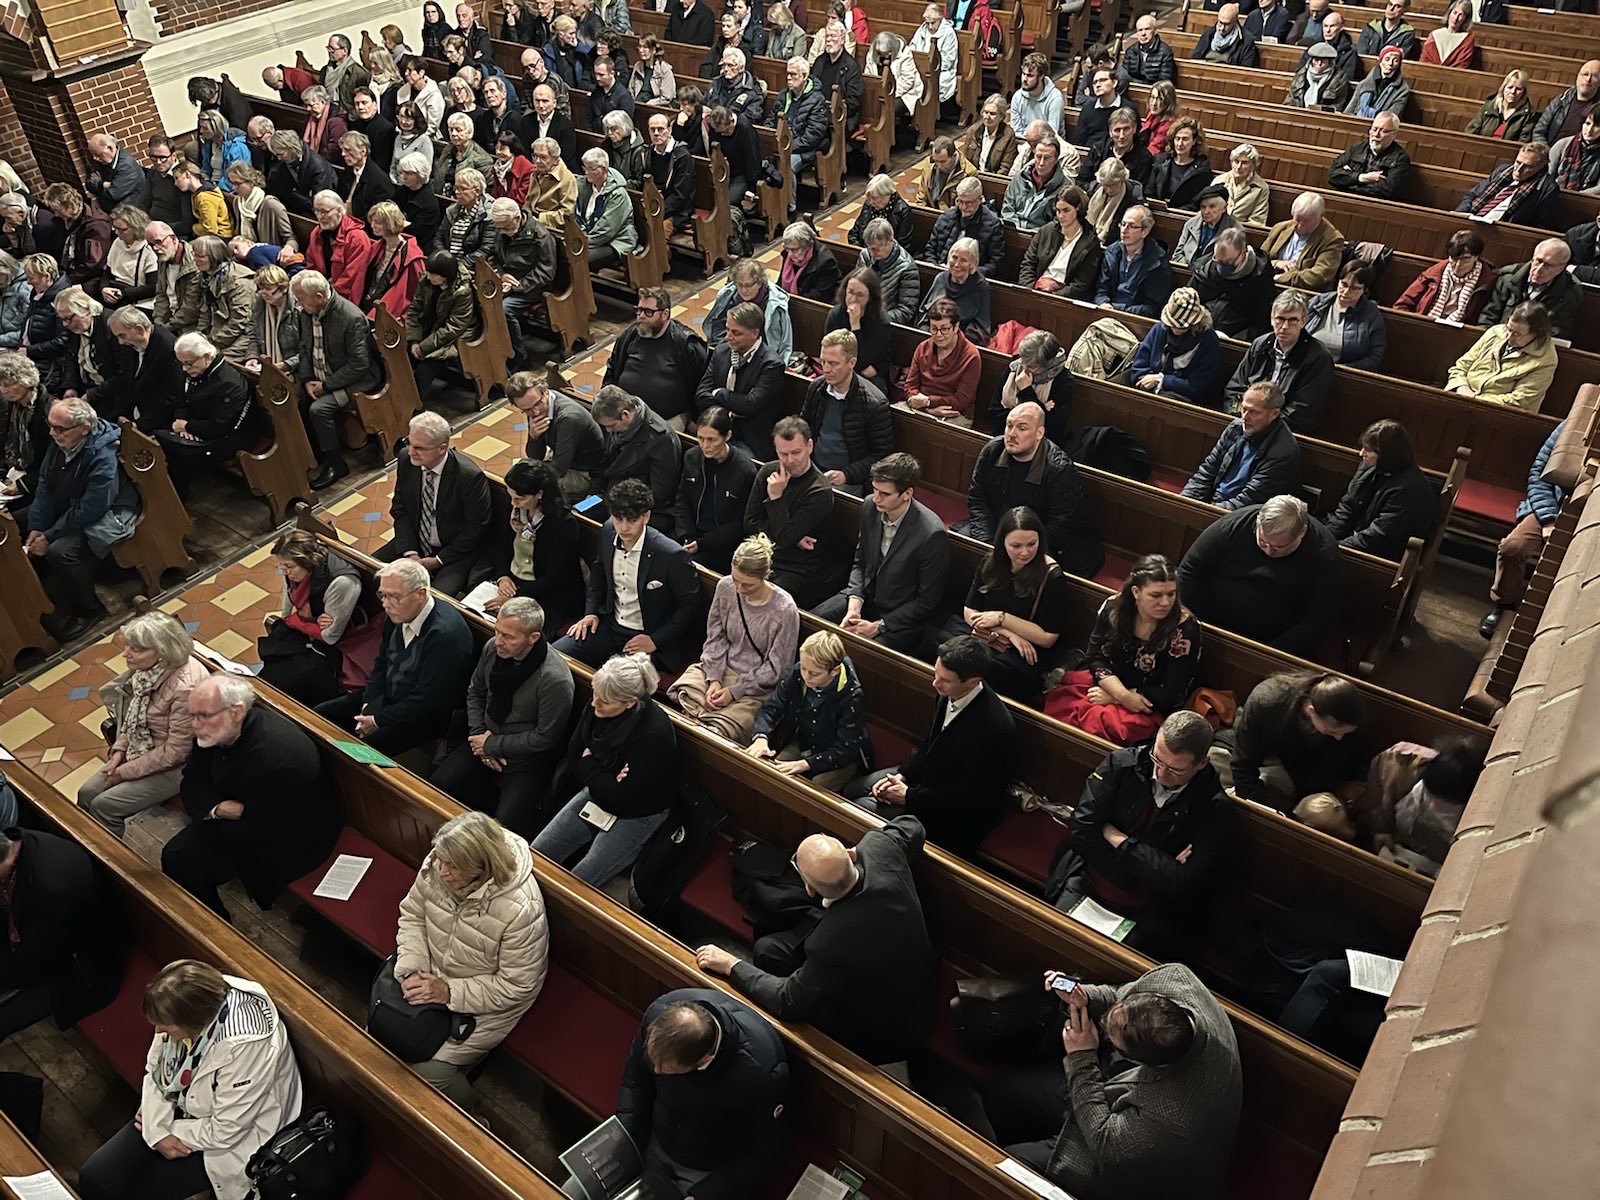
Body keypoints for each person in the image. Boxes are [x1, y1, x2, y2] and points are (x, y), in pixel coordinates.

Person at [981, 963, 1241, 1199]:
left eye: (1111, 1037)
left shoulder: (1172, 1117)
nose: (1103, 1026)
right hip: (1115, 1091)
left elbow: (1104, 1141)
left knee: (1005, 1165)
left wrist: (1081, 1057)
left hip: (1129, 1168)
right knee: (1003, 1093)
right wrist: (1085, 995)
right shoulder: (1176, 980)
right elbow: (1119, 996)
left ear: (1141, 1063)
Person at [696, 815, 933, 1066]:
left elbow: (788, 1001)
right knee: (769, 950)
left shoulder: (829, 942)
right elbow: (913, 825)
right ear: (851, 855)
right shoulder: (879, 848)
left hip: (886, 1025)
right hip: (911, 963)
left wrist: (731, 965)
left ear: (809, 888)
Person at [76, 960, 303, 1200]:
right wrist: (157, 1130)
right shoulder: (183, 1011)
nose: (160, 1032)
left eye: (166, 1026)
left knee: (137, 1194)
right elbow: (156, 1069)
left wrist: (165, 1130)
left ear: (193, 1023)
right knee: (95, 1177)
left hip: (231, 1137)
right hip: (180, 1112)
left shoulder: (247, 1048)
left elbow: (226, 1130)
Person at [561, 989, 788, 1200]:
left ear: (704, 1061)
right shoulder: (660, 1014)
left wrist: (704, 1195)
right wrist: (628, 1137)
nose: (657, 1072)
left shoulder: (762, 1073)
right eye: (654, 1064)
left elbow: (761, 1154)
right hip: (651, 1137)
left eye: (668, 1071)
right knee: (569, 1193)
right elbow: (636, 1083)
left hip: (707, 1169)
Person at [389, 810, 548, 1108]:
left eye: (454, 867)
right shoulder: (438, 864)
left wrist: (449, 992)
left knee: (425, 1073)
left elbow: (517, 986)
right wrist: (412, 968)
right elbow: (413, 915)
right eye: (440, 859)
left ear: (482, 867)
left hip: (485, 1005)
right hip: (430, 975)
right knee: (383, 1039)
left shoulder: (520, 909)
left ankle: (475, 1122)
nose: (442, 871)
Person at [1045, 710, 1233, 958]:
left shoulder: (1213, 808)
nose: (1161, 774)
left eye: (1175, 769)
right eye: (1158, 759)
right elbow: (1083, 830)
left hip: (1148, 906)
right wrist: (1151, 868)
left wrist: (1119, 840)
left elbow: (1181, 883)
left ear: (1201, 764)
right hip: (1089, 880)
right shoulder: (1121, 764)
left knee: (1105, 966)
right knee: (1053, 945)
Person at [163, 675, 343, 918]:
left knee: (181, 859)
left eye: (203, 716)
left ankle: (221, 934)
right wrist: (216, 808)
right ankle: (213, 920)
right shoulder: (219, 728)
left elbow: (257, 831)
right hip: (238, 818)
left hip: (290, 839)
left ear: (237, 711)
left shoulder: (275, 759)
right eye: (192, 715)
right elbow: (192, 779)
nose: (195, 724)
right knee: (177, 857)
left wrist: (207, 809)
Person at [845, 635, 1015, 857]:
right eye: (936, 673)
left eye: (944, 679)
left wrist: (909, 796)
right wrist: (904, 776)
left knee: (859, 807)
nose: (935, 683)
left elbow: (970, 798)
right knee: (851, 790)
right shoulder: (948, 692)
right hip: (929, 781)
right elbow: (932, 744)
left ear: (973, 682)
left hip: (955, 813)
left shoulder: (994, 728)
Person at [532, 652, 678, 884]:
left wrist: (590, 763)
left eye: (604, 702)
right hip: (597, 793)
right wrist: (605, 776)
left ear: (630, 702)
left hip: (637, 812)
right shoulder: (599, 701)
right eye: (595, 695)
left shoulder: (654, 733)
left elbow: (622, 797)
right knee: (536, 854)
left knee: (579, 881)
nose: (593, 704)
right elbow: (573, 753)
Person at [314, 557, 477, 755]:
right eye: (383, 595)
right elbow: (382, 662)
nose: (385, 604)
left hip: (425, 715)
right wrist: (369, 702)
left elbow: (427, 698)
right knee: (320, 715)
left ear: (420, 594)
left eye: (394, 597)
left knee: (359, 751)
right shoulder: (397, 614)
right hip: (391, 695)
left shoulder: (446, 636)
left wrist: (378, 720)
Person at [1047, 554, 1204, 745]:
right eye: (1156, 595)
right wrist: (1120, 694)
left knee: (1122, 730)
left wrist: (1120, 699)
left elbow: (1173, 692)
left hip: (1149, 703)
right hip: (1109, 685)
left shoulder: (1185, 629)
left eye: (1171, 594)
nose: (1165, 602)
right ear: (1136, 592)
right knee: (1064, 708)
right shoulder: (1114, 608)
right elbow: (1095, 658)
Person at [76, 611, 206, 836]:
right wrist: (118, 751)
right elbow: (134, 715)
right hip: (144, 748)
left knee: (104, 806)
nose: (126, 654)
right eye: (128, 646)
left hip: (180, 767)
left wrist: (124, 771)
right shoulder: (148, 672)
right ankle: (86, 843)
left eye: (136, 649)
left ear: (163, 651)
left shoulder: (185, 688)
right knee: (86, 793)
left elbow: (177, 753)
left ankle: (112, 863)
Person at [23, 397, 139, 638]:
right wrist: (37, 527)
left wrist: (49, 534)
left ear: (84, 428)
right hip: (72, 500)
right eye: (50, 426)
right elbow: (44, 485)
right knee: (16, 522)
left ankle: (89, 609)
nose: (52, 433)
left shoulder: (102, 454)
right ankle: (36, 587)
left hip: (111, 511)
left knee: (60, 551)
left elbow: (94, 506)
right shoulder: (62, 441)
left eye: (59, 428)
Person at [556, 478, 701, 670]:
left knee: (615, 682)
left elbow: (691, 605)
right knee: (555, 656)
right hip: (609, 625)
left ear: (646, 516)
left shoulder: (671, 555)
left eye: (631, 520)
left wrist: (655, 640)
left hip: (647, 636)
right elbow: (599, 573)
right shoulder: (608, 531)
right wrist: (591, 612)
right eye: (618, 518)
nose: (623, 527)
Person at [669, 534, 800, 743]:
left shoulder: (784, 610)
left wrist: (735, 691)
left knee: (719, 731)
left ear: (765, 575)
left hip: (755, 686)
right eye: (736, 580)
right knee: (683, 702)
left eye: (747, 585)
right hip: (719, 669)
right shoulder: (726, 586)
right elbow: (715, 635)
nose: (739, 589)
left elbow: (778, 668)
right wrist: (714, 678)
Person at [1178, 495, 1346, 657]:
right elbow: (1189, 571)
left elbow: (1320, 619)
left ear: (1302, 533)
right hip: (1208, 626)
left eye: (1280, 547)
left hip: (1272, 646)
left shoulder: (1325, 555)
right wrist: (1201, 624)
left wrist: (1271, 653)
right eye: (1263, 542)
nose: (1269, 551)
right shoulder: (1236, 524)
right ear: (1258, 523)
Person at [816, 453, 950, 654]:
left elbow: (926, 602)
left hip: (900, 618)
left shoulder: (931, 534)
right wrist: (854, 602)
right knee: (812, 624)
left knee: (860, 654)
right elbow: (861, 562)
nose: (876, 498)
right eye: (875, 489)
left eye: (885, 494)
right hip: (866, 596)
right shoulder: (870, 505)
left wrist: (879, 625)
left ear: (907, 494)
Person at [951, 506, 1069, 700]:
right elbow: (969, 610)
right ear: (1002, 542)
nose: (1025, 552)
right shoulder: (991, 561)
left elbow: (1048, 637)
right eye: (1016, 546)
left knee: (979, 669)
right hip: (987, 635)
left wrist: (1002, 618)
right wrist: (1007, 633)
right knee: (945, 650)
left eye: (1032, 544)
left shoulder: (1052, 576)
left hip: (1024, 652)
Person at [256, 528, 384, 706]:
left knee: (298, 676)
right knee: (276, 657)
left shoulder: (342, 583)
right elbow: (286, 616)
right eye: (281, 567)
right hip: (309, 633)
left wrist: (298, 620)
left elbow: (330, 636)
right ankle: (265, 696)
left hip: (341, 645)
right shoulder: (295, 573)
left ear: (308, 561)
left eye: (289, 567)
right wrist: (310, 621)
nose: (285, 572)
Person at [375, 412, 495, 598]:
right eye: (409, 443)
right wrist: (411, 553)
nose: (411, 451)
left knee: (431, 599)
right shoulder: (407, 459)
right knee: (370, 570)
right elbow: (400, 508)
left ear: (442, 448)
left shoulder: (469, 477)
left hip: (453, 553)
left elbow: (475, 529)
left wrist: (437, 561)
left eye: (419, 448)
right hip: (415, 543)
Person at [748, 628, 873, 790]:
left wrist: (807, 764)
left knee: (809, 790)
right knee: (773, 777)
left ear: (834, 671)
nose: (806, 676)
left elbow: (845, 749)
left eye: (814, 673)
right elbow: (771, 707)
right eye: (803, 669)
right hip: (804, 743)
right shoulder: (799, 673)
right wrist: (761, 737)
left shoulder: (852, 696)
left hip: (838, 758)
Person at [1220, 671, 1364, 811]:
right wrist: (1258, 805)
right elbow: (1243, 764)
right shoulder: (1268, 700)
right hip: (1245, 748)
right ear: (1311, 710)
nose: (1339, 738)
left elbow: (1322, 779)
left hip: (1291, 771)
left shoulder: (1344, 718)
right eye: (1331, 732)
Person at [290, 270, 379, 489]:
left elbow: (359, 365)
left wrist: (326, 386)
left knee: (318, 410)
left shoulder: (351, 317)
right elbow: (304, 349)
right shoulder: (306, 314)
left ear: (319, 297)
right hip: (319, 379)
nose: (298, 304)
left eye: (301, 298)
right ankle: (316, 454)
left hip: (355, 381)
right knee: (295, 402)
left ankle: (336, 464)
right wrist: (307, 379)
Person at [152, 331, 264, 493]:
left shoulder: (229, 384)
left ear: (206, 356)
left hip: (230, 437)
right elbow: (180, 398)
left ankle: (174, 501)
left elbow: (221, 427)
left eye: (189, 363)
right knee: (160, 436)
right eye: (182, 363)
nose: (184, 369)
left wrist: (188, 426)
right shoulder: (195, 370)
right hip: (200, 426)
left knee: (172, 449)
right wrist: (181, 422)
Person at [1481, 420, 1564, 637]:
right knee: (1513, 548)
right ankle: (1504, 604)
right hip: (1550, 507)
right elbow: (1539, 472)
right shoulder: (1573, 424)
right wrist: (1548, 518)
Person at [743, 414, 835, 603]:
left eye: (796, 452)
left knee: (766, 599)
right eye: (783, 454)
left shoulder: (819, 491)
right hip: (760, 552)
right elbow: (749, 523)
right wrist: (794, 537)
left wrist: (776, 497)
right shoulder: (768, 472)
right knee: (735, 585)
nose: (790, 460)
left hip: (795, 566)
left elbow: (785, 538)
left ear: (809, 446)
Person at [482, 456, 585, 622]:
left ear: (540, 494)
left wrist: (517, 598)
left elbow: (555, 576)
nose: (514, 503)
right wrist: (503, 576)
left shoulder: (563, 524)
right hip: (514, 582)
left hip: (549, 594)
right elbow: (503, 545)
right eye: (511, 497)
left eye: (520, 499)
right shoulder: (516, 510)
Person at [1223, 290, 1335, 434]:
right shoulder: (1260, 345)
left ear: (1304, 321)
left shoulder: (1318, 358)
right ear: (1271, 319)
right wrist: (1240, 418)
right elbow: (1234, 389)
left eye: (1292, 320)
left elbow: (1301, 411)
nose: (1284, 327)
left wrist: (1260, 424)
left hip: (1285, 434)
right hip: (1244, 424)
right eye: (1280, 319)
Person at [799, 328, 893, 494]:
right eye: (823, 362)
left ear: (852, 363)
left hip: (847, 479)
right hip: (811, 467)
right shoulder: (816, 387)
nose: (825, 369)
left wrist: (846, 475)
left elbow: (880, 456)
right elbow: (803, 427)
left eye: (833, 363)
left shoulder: (874, 403)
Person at [602, 289, 709, 435]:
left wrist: (696, 418)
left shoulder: (685, 343)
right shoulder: (630, 335)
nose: (641, 317)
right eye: (638, 310)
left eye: (648, 312)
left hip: (667, 419)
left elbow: (703, 382)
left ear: (665, 314)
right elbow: (612, 368)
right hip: (626, 416)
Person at [1183, 380, 1302, 510]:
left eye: (1254, 412)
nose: (1245, 417)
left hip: (1242, 517)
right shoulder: (1236, 428)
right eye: (1243, 409)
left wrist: (1205, 511)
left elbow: (1249, 501)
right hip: (1214, 504)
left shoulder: (1282, 452)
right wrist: (1185, 502)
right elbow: (1206, 472)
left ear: (1274, 414)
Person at [1327, 419, 1437, 559]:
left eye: (1368, 450)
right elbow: (1347, 507)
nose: (1361, 454)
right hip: (1356, 538)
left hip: (1378, 556)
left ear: (1387, 455)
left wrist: (1334, 549)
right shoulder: (1369, 466)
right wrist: (1326, 538)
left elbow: (1378, 537)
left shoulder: (1409, 490)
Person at [674, 406, 758, 573]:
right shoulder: (692, 457)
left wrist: (703, 543)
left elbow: (741, 523)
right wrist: (685, 536)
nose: (705, 446)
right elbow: (682, 500)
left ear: (727, 436)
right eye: (700, 438)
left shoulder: (744, 470)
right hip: (690, 536)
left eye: (712, 440)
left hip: (722, 545)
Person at [1445, 300, 1558, 412]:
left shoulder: (1545, 359)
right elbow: (1461, 366)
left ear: (1536, 333)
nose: (1509, 337)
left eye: (1517, 334)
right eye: (1509, 329)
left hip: (1498, 414)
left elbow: (1520, 400)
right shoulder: (1495, 332)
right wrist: (1462, 388)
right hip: (1461, 396)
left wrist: (1475, 401)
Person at [589, 386, 682, 521]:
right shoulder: (612, 424)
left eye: (612, 426)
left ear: (625, 414)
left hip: (634, 505)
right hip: (607, 493)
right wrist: (592, 493)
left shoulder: (660, 440)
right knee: (580, 511)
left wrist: (622, 508)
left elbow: (660, 493)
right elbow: (604, 464)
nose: (608, 431)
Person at [511, 374, 605, 504]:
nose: (536, 412)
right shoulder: (534, 405)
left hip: (585, 473)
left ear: (545, 391)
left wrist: (529, 481)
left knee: (532, 491)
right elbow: (535, 456)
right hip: (565, 460)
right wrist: (534, 437)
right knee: (519, 475)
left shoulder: (569, 418)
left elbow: (558, 470)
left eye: (538, 403)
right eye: (527, 410)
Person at [1127, 286, 1224, 408]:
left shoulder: (1208, 340)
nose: (1176, 329)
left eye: (1182, 326)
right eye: (1172, 324)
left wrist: (1162, 380)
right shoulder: (1159, 329)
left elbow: (1199, 386)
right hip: (1148, 390)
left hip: (1184, 400)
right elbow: (1139, 366)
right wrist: (1146, 381)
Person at [405, 250, 482, 403]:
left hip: (456, 336)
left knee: (426, 369)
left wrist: (423, 347)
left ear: (446, 275)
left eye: (434, 274)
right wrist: (414, 340)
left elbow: (455, 326)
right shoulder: (426, 280)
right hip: (430, 327)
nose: (429, 277)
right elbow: (415, 310)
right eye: (429, 272)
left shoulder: (462, 291)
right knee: (400, 357)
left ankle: (415, 405)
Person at [900, 298, 981, 426]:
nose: (938, 335)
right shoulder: (923, 347)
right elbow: (910, 386)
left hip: (954, 413)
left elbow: (962, 400)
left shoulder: (971, 356)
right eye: (933, 329)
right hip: (921, 407)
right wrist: (927, 408)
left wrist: (928, 402)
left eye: (944, 329)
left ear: (956, 327)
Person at [1477, 238, 1578, 338]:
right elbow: (1488, 316)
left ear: (1561, 268)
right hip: (1497, 339)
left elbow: (1555, 331)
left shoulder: (1570, 292)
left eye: (1548, 265)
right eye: (1538, 261)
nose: (1538, 270)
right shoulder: (1507, 277)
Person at [1393, 229, 1496, 324]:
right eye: (1454, 259)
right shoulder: (1434, 273)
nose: (1458, 265)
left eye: (1465, 259)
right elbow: (1402, 304)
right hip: (1426, 323)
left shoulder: (1487, 282)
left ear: (1476, 257)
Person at [1454, 141, 1559, 229]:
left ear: (1541, 167)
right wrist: (1460, 214)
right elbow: (1472, 194)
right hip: (1471, 219)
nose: (1518, 170)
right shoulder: (1504, 170)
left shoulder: (1547, 187)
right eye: (1518, 162)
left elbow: (1540, 225)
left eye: (1528, 167)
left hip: (1499, 231)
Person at [1305, 261, 1387, 372]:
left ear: (1364, 290)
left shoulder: (1372, 315)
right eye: (1344, 284)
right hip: (1304, 366)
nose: (1346, 292)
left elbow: (1375, 357)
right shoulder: (1318, 302)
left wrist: (1344, 370)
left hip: (1342, 374)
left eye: (1354, 288)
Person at [706, 259, 793, 362]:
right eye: (740, 285)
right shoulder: (728, 296)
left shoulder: (774, 305)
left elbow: (783, 342)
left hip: (760, 358)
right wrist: (727, 347)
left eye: (748, 285)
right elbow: (718, 327)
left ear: (759, 283)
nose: (743, 290)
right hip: (730, 350)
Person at [1094, 204, 1172, 318]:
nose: (1124, 230)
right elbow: (1101, 290)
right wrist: (1103, 303)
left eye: (1131, 226)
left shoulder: (1158, 262)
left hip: (1134, 319)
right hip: (1106, 311)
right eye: (1123, 224)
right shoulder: (1112, 252)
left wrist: (1117, 310)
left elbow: (1152, 307)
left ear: (1144, 231)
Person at [923, 178, 1006, 281]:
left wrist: (969, 273)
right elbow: (930, 248)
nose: (963, 207)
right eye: (960, 201)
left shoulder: (993, 225)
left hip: (972, 281)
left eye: (969, 203)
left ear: (980, 200)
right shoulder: (947, 217)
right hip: (940, 274)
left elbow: (995, 263)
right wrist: (935, 267)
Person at [1261, 191, 1345, 291]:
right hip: (1267, 285)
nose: (1300, 226)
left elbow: (1318, 277)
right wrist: (1276, 263)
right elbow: (1259, 258)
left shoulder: (1332, 239)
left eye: (1306, 221)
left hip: (1301, 293)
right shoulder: (1280, 228)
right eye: (1297, 219)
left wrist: (1280, 278)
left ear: (1320, 217)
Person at [920, 237, 992, 344]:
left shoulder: (980, 287)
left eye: (963, 260)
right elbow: (925, 314)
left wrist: (955, 340)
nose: (957, 264)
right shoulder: (941, 278)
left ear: (972, 263)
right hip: (933, 336)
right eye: (954, 257)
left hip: (962, 342)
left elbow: (981, 325)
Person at [826, 268, 890, 387]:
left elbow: (860, 361)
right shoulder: (836, 314)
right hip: (838, 368)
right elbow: (828, 350)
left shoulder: (881, 322)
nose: (853, 299)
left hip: (870, 379)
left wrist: (855, 325)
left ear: (870, 297)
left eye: (860, 295)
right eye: (850, 292)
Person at [1328, 112, 1411, 200]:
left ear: (1394, 134)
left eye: (1383, 131)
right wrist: (1361, 178)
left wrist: (1350, 184)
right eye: (1374, 129)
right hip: (1345, 199)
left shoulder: (1400, 158)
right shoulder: (1357, 148)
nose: (1376, 135)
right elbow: (1332, 174)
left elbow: (1388, 189)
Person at [857, 217, 922, 326]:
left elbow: (906, 311)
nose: (872, 253)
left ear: (890, 241)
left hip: (886, 325)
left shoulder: (907, 268)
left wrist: (877, 319)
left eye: (876, 249)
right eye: (869, 248)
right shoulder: (865, 255)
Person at [1002, 135, 1068, 232]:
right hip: (1012, 231)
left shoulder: (1064, 187)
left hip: (1040, 237)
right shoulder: (1020, 177)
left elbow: (1057, 222)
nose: (1041, 163)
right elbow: (1007, 208)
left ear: (1055, 160)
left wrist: (1037, 233)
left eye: (1047, 158)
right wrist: (1016, 228)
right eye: (1038, 157)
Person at [1144, 118, 1211, 209]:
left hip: (1183, 216)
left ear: (1194, 141)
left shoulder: (1201, 169)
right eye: (1177, 138)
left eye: (1185, 139)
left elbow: (1196, 202)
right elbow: (1149, 191)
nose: (1180, 144)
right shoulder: (1161, 161)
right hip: (1157, 211)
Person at [1531, 59, 1600, 147]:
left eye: (1594, 76)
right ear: (1578, 76)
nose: (1588, 79)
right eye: (1585, 74)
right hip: (1548, 152)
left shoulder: (1598, 108)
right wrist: (1546, 152)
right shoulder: (1562, 99)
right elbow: (1539, 130)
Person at [1172, 185, 1239, 268]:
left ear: (1224, 208)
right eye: (1203, 207)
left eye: (1212, 206)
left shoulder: (1234, 231)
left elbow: (1229, 265)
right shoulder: (1191, 224)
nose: (1206, 211)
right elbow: (1177, 255)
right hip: (1186, 269)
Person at [777, 220, 841, 304]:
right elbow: (780, 283)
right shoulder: (789, 254)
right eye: (787, 248)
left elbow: (820, 295)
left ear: (807, 246)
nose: (790, 254)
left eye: (794, 250)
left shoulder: (826, 262)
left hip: (815, 306)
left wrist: (790, 300)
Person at [1467, 69, 1537, 141]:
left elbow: (1523, 141)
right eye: (1510, 87)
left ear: (1524, 92)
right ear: (1503, 88)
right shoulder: (1489, 106)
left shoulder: (1529, 115)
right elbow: (1471, 131)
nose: (1513, 92)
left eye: (1518, 89)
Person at [849, 176, 916, 251]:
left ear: (887, 194)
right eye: (869, 198)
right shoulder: (869, 205)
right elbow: (854, 233)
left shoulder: (902, 210)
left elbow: (902, 244)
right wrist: (863, 252)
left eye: (875, 198)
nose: (871, 202)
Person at [1345, 46, 1412, 119]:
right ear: (1380, 61)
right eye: (1387, 59)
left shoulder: (1402, 89)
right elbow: (1350, 109)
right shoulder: (1365, 83)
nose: (1390, 63)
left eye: (1395, 61)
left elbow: (1392, 116)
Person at [1285, 42, 1352, 112]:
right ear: (1311, 60)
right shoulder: (1301, 75)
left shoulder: (1339, 78)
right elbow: (1290, 99)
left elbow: (1338, 106)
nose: (1319, 63)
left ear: (1330, 62)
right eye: (1316, 60)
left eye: (1323, 60)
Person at [1010, 52, 1063, 138]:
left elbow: (1052, 133)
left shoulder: (1055, 98)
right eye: (1023, 74)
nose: (1024, 79)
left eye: (1030, 76)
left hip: (1048, 146)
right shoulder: (1017, 96)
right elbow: (1015, 131)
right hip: (1023, 142)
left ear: (1041, 76)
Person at [964, 94, 1019, 176]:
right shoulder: (973, 131)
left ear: (1001, 116)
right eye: (986, 112)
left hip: (994, 178)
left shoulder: (1008, 135)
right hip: (974, 176)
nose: (987, 117)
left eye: (992, 114)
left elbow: (1005, 166)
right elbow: (966, 160)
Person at [1549, 109, 1600, 195]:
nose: (1589, 129)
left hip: (1585, 200)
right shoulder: (1562, 144)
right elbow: (1548, 175)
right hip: (1553, 194)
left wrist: (1576, 196)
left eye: (1597, 125)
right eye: (1587, 123)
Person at [1191, 2, 1257, 66]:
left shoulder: (1246, 40)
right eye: (1220, 23)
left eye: (1226, 24)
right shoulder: (1209, 33)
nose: (1222, 28)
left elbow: (1245, 69)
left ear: (1235, 21)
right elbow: (1195, 59)